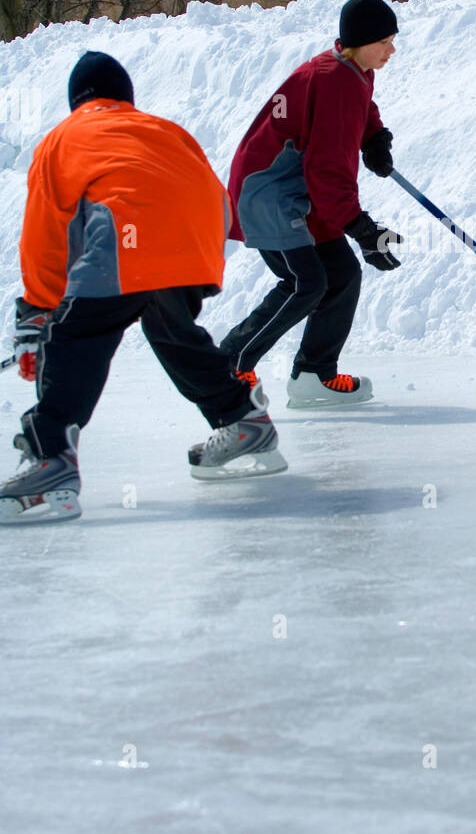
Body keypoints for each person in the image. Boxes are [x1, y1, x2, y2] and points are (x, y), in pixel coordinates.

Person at [0, 51, 287, 526]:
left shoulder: (64, 137)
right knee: (172, 331)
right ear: (126, 98)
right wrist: (190, 260)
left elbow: (45, 238)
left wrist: (37, 313)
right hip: (194, 241)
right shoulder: (163, 130)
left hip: (129, 234)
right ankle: (243, 421)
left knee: (77, 338)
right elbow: (211, 195)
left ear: (78, 101)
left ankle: (49, 461)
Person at [219, 0, 403, 408]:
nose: (392, 50)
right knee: (306, 282)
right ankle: (230, 365)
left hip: (296, 190)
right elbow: (328, 171)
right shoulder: (335, 79)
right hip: (268, 191)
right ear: (360, 41)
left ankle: (312, 376)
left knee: (341, 275)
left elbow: (359, 108)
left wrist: (374, 136)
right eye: (385, 41)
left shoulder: (352, 69)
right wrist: (363, 229)